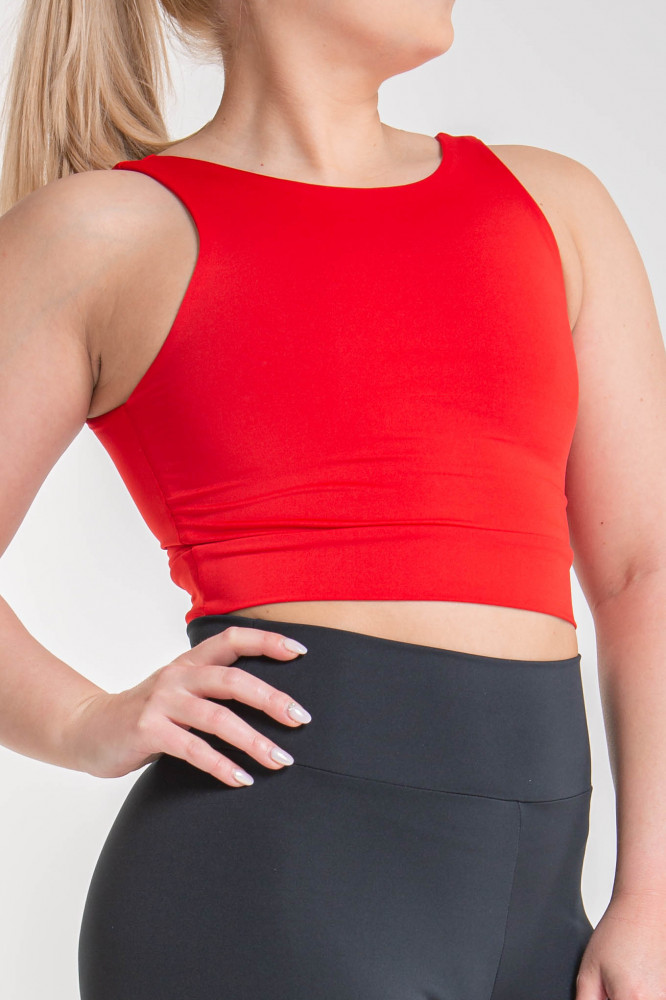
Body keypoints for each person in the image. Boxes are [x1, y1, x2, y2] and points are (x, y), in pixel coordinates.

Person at [0, 0, 665, 998]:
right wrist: (83, 720)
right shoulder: (107, 232)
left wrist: (652, 896)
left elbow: (642, 571)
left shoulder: (553, 208)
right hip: (270, 888)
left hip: (542, 919)